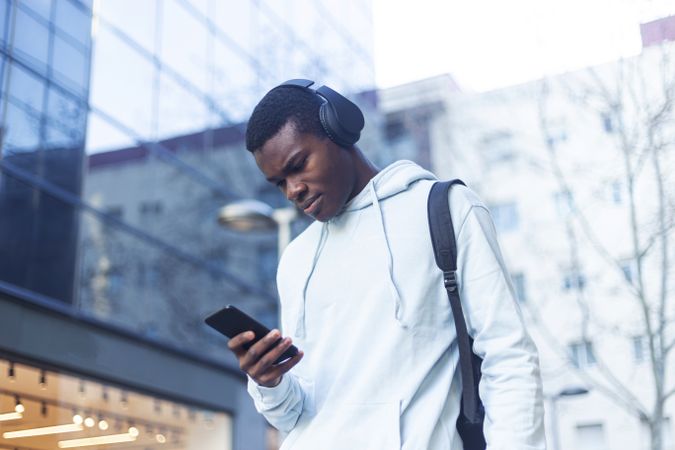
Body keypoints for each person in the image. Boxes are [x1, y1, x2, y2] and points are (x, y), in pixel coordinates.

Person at [227, 80, 546, 450]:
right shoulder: (296, 260)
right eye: (279, 183)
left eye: (298, 166)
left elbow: (509, 358)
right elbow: (295, 416)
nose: (292, 190)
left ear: (339, 129)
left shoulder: (444, 209)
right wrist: (270, 383)